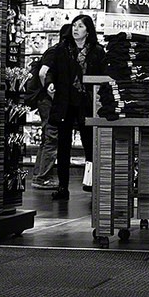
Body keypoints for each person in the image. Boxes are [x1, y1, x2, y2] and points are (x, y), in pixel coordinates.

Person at [38, 14, 105, 200]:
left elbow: (104, 75)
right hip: (65, 102)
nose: (76, 29)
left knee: (90, 145)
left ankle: (92, 183)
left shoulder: (97, 51)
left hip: (87, 103)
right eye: (74, 25)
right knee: (63, 146)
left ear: (88, 31)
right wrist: (50, 83)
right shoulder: (62, 48)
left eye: (80, 26)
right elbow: (51, 71)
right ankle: (63, 187)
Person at [30, 24, 71, 189]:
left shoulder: (57, 51)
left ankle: (39, 175)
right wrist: (50, 91)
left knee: (48, 137)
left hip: (45, 100)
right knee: (52, 137)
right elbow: (43, 73)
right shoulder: (56, 51)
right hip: (48, 101)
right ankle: (43, 177)